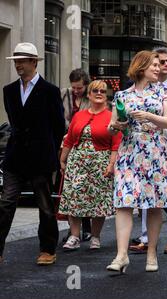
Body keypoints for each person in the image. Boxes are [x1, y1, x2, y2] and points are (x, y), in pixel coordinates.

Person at [107, 50, 167, 273]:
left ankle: (152, 253)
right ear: (140, 67)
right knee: (124, 202)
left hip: (154, 150)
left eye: (159, 64)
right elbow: (112, 125)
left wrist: (149, 116)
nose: (158, 68)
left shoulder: (164, 91)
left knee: (154, 204)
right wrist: (117, 126)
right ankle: (121, 255)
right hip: (128, 152)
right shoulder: (122, 95)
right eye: (153, 65)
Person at [0, 43, 65, 265]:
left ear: (34, 62)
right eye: (15, 60)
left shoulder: (50, 91)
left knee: (45, 205)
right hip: (15, 157)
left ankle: (48, 249)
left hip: (41, 158)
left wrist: (52, 153)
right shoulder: (8, 90)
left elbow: (58, 127)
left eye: (22, 60)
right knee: (6, 202)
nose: (18, 64)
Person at [129, 47, 167, 255]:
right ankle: (144, 237)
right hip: (149, 148)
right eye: (161, 62)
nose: (166, 65)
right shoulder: (141, 88)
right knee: (146, 194)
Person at [59, 80, 121, 250]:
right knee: (74, 199)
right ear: (89, 94)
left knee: (98, 201)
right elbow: (70, 139)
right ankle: (74, 236)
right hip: (77, 162)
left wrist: (111, 164)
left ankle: (95, 237)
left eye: (102, 91)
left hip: (100, 163)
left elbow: (116, 143)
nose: (99, 93)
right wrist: (63, 159)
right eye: (95, 91)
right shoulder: (79, 115)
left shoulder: (111, 116)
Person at [60, 68, 92, 243]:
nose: (76, 91)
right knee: (70, 192)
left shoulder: (91, 98)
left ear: (86, 85)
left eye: (79, 88)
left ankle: (86, 228)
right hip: (66, 146)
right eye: (74, 87)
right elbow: (58, 117)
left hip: (84, 148)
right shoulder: (64, 94)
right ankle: (74, 230)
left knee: (84, 190)